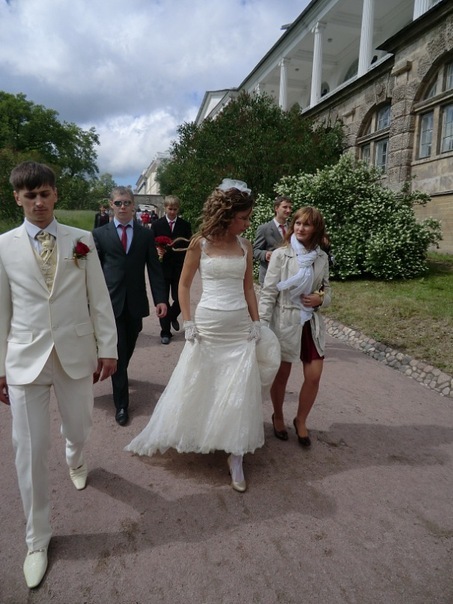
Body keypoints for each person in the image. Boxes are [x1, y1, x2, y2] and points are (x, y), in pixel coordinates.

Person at [0, 161, 118, 589]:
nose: (38, 202)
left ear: (55, 195)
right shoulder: (3, 246)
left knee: (80, 426)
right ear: (18, 198)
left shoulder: (81, 240)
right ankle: (37, 539)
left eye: (44, 194)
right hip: (24, 358)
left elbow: (98, 298)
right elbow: (1, 310)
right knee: (29, 450)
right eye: (30, 195)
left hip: (74, 352)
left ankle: (76, 454)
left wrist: (108, 347)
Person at [126, 179, 280, 492]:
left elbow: (249, 287)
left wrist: (256, 321)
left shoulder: (245, 246)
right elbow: (183, 285)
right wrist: (188, 322)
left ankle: (236, 453)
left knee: (238, 386)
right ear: (227, 215)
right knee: (203, 381)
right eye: (244, 218)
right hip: (208, 325)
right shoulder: (200, 243)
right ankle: (204, 430)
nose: (247, 223)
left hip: (238, 327)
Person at [93, 186, 167, 426]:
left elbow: (154, 269)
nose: (122, 207)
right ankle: (122, 405)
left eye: (126, 202)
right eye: (118, 203)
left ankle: (120, 367)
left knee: (129, 344)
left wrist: (160, 299)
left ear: (133, 205)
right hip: (110, 301)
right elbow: (93, 271)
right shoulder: (100, 234)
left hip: (135, 301)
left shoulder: (145, 234)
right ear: (111, 205)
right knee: (119, 351)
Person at [259, 206, 331, 448]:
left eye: (306, 224)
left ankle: (301, 420)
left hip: (310, 321)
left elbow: (327, 289)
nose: (300, 228)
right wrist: (261, 325)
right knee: (282, 374)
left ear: (316, 228)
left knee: (314, 376)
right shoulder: (281, 255)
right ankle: (278, 416)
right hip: (285, 320)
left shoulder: (321, 257)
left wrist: (321, 299)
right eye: (298, 223)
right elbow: (269, 292)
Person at [151, 195, 192, 345]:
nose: (172, 212)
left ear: (178, 209)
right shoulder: (157, 225)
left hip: (179, 267)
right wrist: (157, 250)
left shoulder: (185, 225)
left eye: (175, 209)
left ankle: (172, 316)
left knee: (179, 298)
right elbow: (151, 245)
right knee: (162, 300)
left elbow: (189, 246)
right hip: (162, 268)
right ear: (165, 208)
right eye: (170, 209)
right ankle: (165, 331)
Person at [253, 195, 293, 285]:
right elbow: (255, 251)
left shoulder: (293, 228)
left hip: (289, 276)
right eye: (285, 207)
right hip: (270, 277)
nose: (288, 210)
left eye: (290, 208)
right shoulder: (264, 229)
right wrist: (265, 254)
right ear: (276, 208)